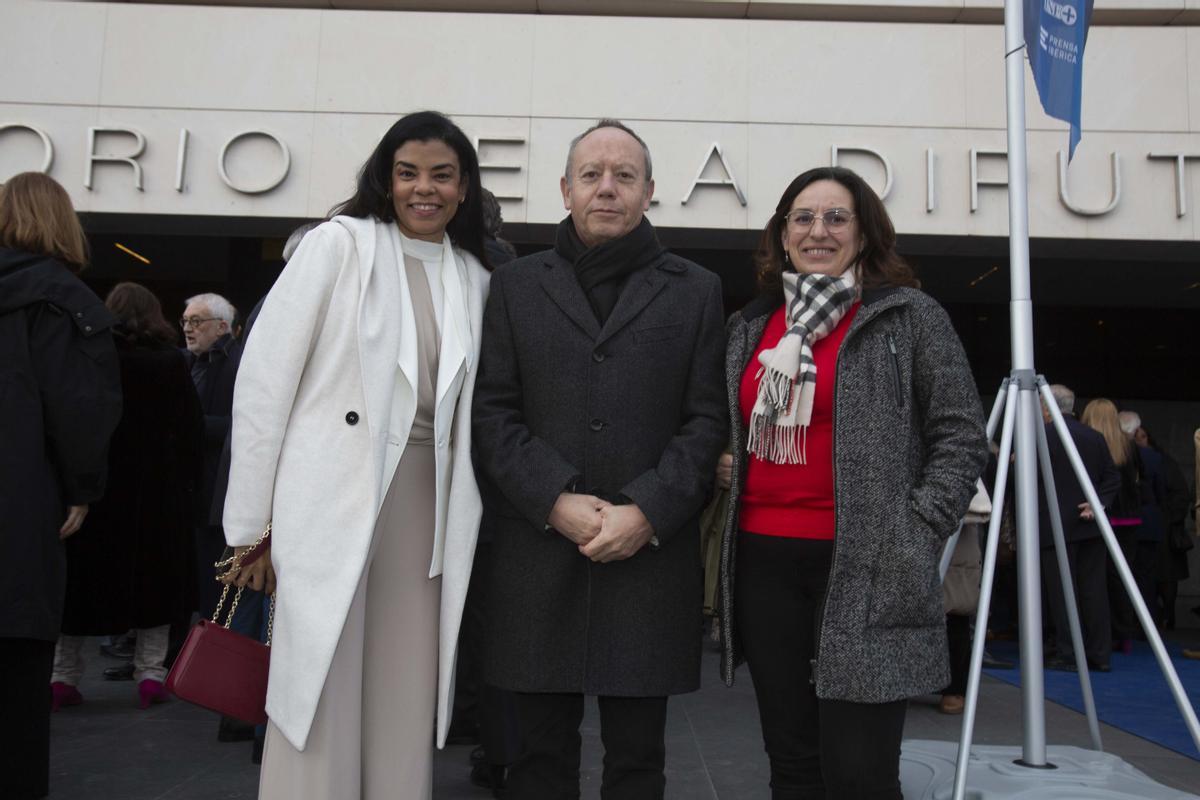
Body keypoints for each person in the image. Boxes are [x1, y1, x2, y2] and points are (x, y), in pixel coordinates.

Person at [219, 111, 491, 799]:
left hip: (429, 504)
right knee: (320, 682)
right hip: (331, 493)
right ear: (385, 179)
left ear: (464, 188)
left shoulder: (475, 276)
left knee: (406, 680)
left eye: (441, 175)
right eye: (408, 173)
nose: (422, 189)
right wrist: (249, 529)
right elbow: (263, 383)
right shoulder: (336, 246)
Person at [472, 118, 728, 799]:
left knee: (639, 764)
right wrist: (553, 499)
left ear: (650, 192)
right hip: (538, 553)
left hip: (647, 557)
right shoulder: (516, 286)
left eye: (624, 176)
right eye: (591, 175)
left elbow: (707, 420)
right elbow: (492, 414)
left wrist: (648, 509)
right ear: (564, 189)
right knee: (535, 762)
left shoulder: (696, 289)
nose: (606, 189)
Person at [715, 166, 988, 799]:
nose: (818, 231)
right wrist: (725, 460)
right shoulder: (751, 328)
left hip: (870, 566)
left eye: (836, 217)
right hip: (764, 564)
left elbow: (961, 433)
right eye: (803, 218)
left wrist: (916, 529)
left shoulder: (910, 318)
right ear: (783, 236)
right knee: (792, 763)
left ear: (863, 234)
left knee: (861, 773)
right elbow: (731, 425)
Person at [0, 172, 123, 800]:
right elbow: (81, 407)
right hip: (22, 504)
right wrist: (82, 487)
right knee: (20, 669)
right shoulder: (62, 300)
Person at [51, 283, 204, 710]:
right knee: (155, 583)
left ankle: (63, 676)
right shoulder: (171, 364)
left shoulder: (92, 358)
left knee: (81, 586)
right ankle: (150, 674)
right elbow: (190, 429)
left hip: (96, 490)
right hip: (156, 492)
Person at [1037, 384, 1120, 673]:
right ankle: (1100, 654)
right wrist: (1098, 504)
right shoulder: (1095, 437)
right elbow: (1112, 477)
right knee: (1094, 591)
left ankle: (1068, 652)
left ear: (1045, 406)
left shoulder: (1039, 436)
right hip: (1090, 524)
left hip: (1052, 525)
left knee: (1061, 592)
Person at [1081, 399, 1153, 651]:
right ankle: (1124, 633)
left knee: (1094, 577)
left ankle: (1100, 634)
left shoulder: (1089, 444)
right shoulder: (1128, 445)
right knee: (1122, 576)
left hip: (1099, 518)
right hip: (1128, 520)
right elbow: (1141, 480)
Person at [1134, 423, 1192, 630]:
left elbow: (1181, 496)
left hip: (1164, 530)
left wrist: (1167, 518)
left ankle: (1167, 614)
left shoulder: (1164, 463)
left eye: (1141, 436)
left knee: (1166, 577)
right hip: (1146, 526)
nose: (1138, 440)